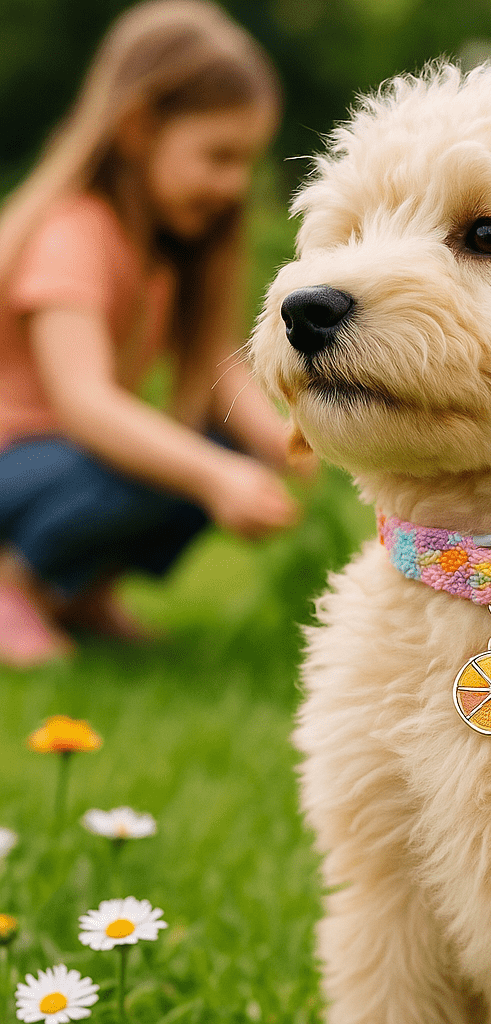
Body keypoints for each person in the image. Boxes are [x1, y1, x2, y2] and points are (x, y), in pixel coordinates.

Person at [0, 0, 306, 668]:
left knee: (222, 446)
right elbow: (84, 406)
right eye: (218, 155)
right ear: (139, 128)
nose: (233, 185)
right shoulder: (73, 234)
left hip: (62, 461)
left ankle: (78, 592)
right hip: (17, 460)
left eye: (244, 161)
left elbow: (216, 362)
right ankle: (13, 586)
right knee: (176, 464)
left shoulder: (165, 250)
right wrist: (215, 476)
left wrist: (280, 441)